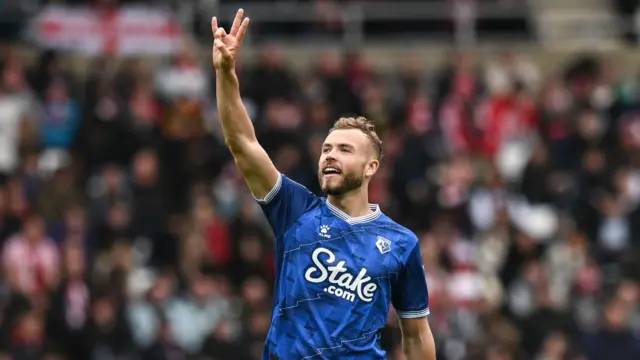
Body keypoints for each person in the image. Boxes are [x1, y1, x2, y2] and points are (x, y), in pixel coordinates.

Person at [212, 9, 436, 360]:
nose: (330, 155)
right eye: (326, 148)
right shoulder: (295, 210)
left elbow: (417, 337)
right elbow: (242, 143)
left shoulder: (400, 244)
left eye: (345, 149)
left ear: (371, 167)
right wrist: (226, 73)